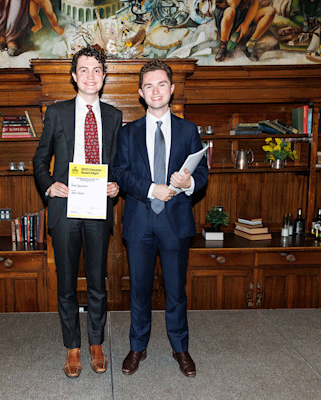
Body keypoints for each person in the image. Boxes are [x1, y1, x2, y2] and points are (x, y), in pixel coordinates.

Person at [113, 60, 208, 377]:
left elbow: (202, 173)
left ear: (172, 88)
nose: (156, 91)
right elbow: (120, 173)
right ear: (141, 93)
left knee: (176, 291)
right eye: (149, 86)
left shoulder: (188, 130)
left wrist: (188, 183)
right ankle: (137, 347)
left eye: (161, 84)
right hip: (139, 223)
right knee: (139, 290)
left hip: (175, 224)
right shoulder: (127, 133)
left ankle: (180, 348)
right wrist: (152, 189)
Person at [33, 46, 122, 378]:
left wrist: (116, 185)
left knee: (98, 281)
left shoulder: (114, 116)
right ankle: (72, 346)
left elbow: (118, 163)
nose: (90, 76)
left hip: (98, 206)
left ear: (104, 76)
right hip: (65, 208)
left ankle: (96, 343)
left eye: (97, 70)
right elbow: (40, 159)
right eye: (83, 70)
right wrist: (49, 185)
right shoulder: (57, 113)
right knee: (67, 283)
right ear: (74, 76)